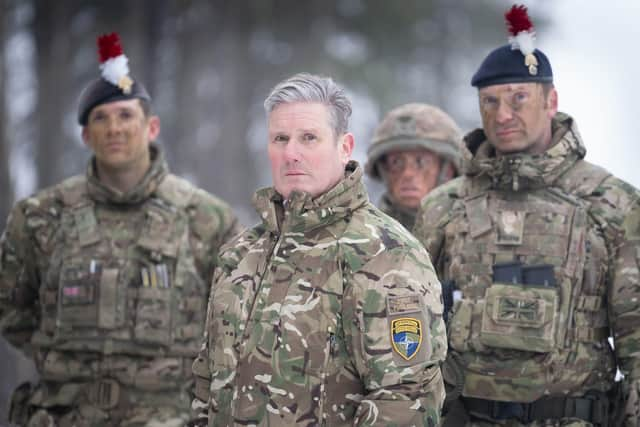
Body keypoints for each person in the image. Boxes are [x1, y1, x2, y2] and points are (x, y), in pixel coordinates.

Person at [413, 4, 640, 426]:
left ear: (550, 100)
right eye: (490, 101)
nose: (502, 115)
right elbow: (409, 325)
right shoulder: (444, 207)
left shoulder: (611, 204)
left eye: (519, 98)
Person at [0, 33, 240, 427]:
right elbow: (11, 308)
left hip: (170, 415)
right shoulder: (40, 217)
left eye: (126, 115)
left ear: (151, 127)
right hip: (66, 413)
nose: (114, 128)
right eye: (101, 118)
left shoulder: (205, 217)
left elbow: (235, 319)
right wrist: (65, 359)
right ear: (85, 135)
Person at [190, 73, 447, 427]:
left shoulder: (386, 254)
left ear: (344, 147)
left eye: (309, 138)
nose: (291, 153)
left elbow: (406, 399)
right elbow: (206, 383)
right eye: (280, 138)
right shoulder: (240, 254)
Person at [365, 103, 462, 230]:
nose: (407, 173)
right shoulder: (363, 236)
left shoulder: (473, 234)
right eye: (396, 162)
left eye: (421, 162)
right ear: (383, 170)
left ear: (448, 171)